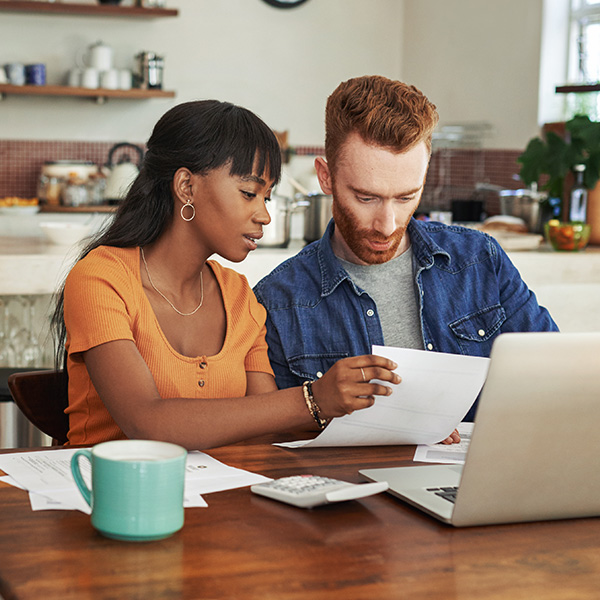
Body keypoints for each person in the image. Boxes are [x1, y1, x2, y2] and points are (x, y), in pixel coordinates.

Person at [52, 99, 402, 450]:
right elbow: (146, 423)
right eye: (249, 193)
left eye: (266, 197)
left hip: (220, 499)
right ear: (187, 187)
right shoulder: (101, 279)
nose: (264, 215)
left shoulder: (238, 295)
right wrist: (313, 399)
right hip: (105, 496)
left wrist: (396, 426)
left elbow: (267, 428)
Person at [253, 75, 558, 422]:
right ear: (326, 177)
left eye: (406, 197)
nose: (387, 224)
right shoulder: (276, 301)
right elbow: (274, 441)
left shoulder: (481, 260)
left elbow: (553, 375)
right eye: (366, 197)